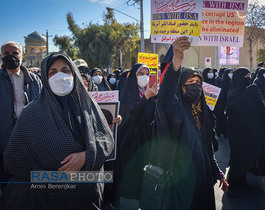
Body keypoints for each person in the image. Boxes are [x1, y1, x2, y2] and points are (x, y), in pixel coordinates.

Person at [0, 52, 114, 209]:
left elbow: (107, 140)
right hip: (48, 197)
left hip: (87, 194)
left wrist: (87, 156)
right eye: (53, 72)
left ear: (73, 74)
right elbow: (13, 159)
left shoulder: (89, 105)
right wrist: (53, 173)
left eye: (65, 71)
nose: (60, 76)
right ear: (45, 79)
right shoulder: (31, 113)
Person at [154, 37, 228, 209]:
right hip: (181, 183)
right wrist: (176, 62)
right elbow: (164, 101)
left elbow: (207, 147)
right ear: (180, 87)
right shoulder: (175, 108)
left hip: (203, 180)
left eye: (198, 83)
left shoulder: (203, 112)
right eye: (189, 82)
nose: (195, 86)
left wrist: (218, 173)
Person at [113, 63, 158, 205]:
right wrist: (145, 98)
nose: (144, 77)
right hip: (131, 144)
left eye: (146, 73)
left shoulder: (152, 94)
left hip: (148, 142)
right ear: (134, 76)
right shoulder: (126, 94)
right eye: (140, 74)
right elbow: (131, 116)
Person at [0, 41, 42, 190]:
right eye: (7, 53)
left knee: (29, 181)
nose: (11, 56)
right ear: (1, 56)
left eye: (15, 53)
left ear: (22, 55)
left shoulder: (35, 80)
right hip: (4, 138)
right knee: (6, 181)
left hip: (30, 137)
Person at [226, 67, 265, 196]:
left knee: (246, 157)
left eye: (250, 76)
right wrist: (250, 95)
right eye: (246, 77)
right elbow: (234, 111)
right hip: (237, 133)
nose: (249, 79)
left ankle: (242, 182)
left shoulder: (247, 91)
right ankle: (233, 186)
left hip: (248, 131)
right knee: (238, 159)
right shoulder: (234, 93)